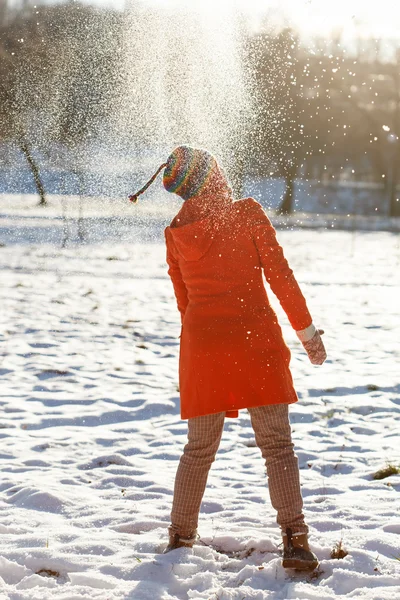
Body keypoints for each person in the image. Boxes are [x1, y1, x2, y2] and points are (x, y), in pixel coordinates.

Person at [129, 146, 327, 571]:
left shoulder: (175, 231)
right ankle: (295, 540)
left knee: (198, 449)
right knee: (277, 445)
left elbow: (183, 302)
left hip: (201, 349)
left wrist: (207, 344)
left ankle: (180, 537)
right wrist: (308, 334)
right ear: (211, 176)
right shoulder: (248, 213)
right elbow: (281, 277)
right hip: (255, 342)